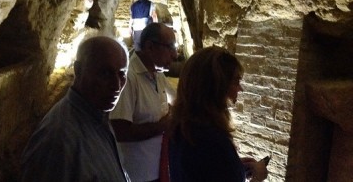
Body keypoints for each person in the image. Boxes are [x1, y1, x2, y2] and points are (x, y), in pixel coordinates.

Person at [20, 36, 130, 182]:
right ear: (78, 69)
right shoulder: (59, 139)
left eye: (122, 74)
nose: (116, 86)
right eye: (105, 73)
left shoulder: (97, 116)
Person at [168, 46, 268, 182]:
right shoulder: (214, 140)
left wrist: (235, 167)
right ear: (217, 86)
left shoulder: (181, 128)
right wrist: (258, 177)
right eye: (236, 81)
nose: (241, 88)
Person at [110, 22, 177, 182]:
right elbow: (120, 130)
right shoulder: (129, 78)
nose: (174, 55)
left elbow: (178, 100)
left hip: (156, 169)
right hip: (136, 174)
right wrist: (162, 126)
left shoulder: (157, 74)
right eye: (169, 47)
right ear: (150, 47)